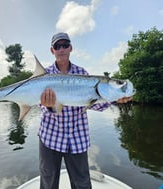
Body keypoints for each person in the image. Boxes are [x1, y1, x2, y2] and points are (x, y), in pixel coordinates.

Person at [39, 32, 132, 189]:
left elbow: (93, 103)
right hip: (50, 137)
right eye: (57, 46)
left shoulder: (82, 73)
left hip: (77, 138)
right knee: (48, 183)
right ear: (52, 50)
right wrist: (48, 105)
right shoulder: (44, 75)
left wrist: (114, 99)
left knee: (82, 183)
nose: (61, 49)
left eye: (65, 45)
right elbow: (40, 104)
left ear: (70, 48)